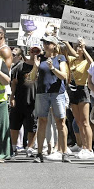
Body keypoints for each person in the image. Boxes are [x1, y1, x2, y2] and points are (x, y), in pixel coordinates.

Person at [31, 35, 70, 163]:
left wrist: (53, 68)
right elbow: (31, 78)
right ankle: (39, 153)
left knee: (60, 122)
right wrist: (36, 67)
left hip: (57, 93)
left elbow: (64, 76)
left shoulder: (60, 58)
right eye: (44, 42)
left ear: (54, 45)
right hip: (42, 92)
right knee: (42, 121)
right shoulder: (40, 58)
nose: (46, 45)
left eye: (48, 43)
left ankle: (64, 153)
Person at [63, 40, 94, 160]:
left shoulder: (86, 61)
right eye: (75, 47)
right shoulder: (72, 60)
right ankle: (83, 146)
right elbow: (68, 54)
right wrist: (67, 43)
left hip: (83, 89)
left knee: (85, 121)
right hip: (72, 90)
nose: (77, 49)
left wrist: (84, 49)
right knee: (78, 121)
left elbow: (92, 62)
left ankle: (89, 148)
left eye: (78, 47)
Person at [10, 46, 38, 158]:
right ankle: (13, 147)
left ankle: (30, 147)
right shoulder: (20, 65)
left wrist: (37, 65)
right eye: (32, 51)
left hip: (34, 100)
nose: (34, 53)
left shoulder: (43, 65)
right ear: (28, 52)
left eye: (37, 51)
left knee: (32, 126)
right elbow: (14, 82)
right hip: (20, 99)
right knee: (15, 124)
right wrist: (12, 96)